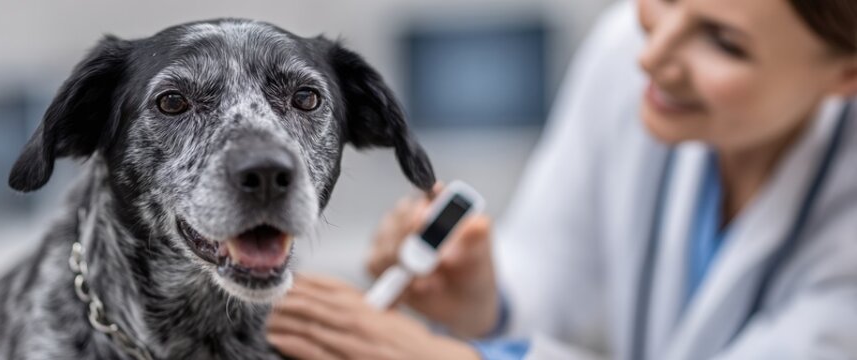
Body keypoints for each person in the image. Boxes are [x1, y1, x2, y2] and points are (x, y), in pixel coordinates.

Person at [266, 0, 857, 358]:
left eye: (725, 42)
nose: (653, 56)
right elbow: (556, 272)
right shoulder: (626, 49)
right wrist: (487, 301)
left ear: (846, 74)